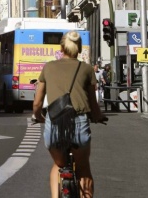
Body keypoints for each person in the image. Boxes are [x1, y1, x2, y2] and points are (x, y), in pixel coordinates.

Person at [33, 30, 106, 198]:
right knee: (83, 169)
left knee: (59, 165)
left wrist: (38, 117)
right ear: (79, 49)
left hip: (54, 125)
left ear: (61, 48)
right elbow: (93, 103)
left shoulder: (48, 67)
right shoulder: (87, 69)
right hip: (79, 123)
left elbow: (37, 102)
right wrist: (98, 116)